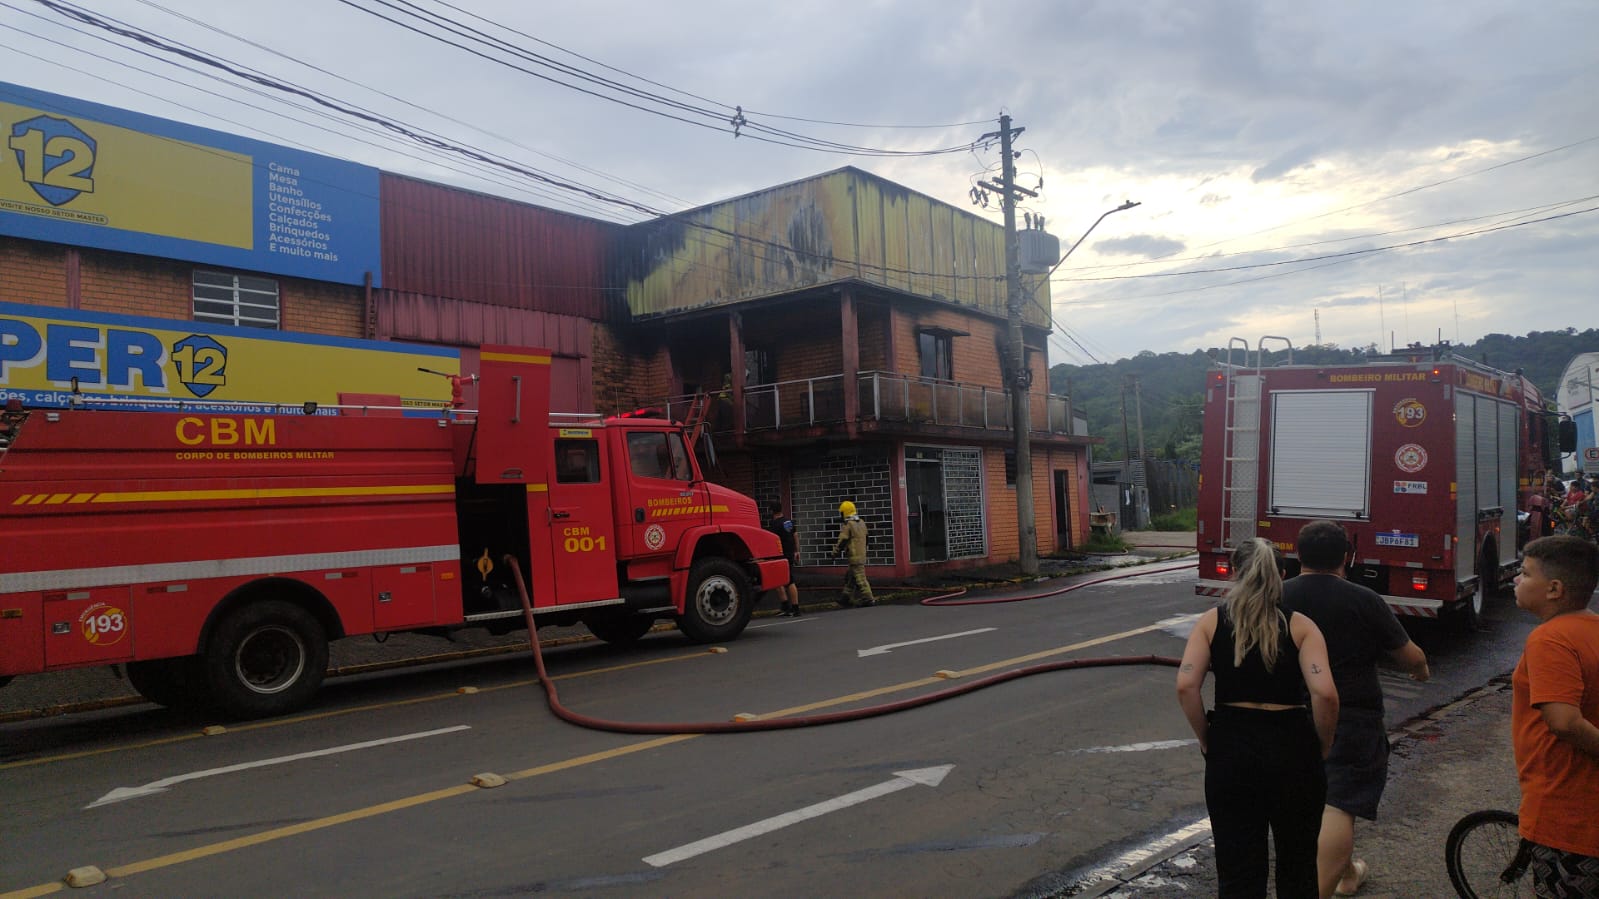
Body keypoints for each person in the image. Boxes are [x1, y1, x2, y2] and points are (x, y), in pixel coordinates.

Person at [1176, 537, 1340, 899]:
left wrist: (1207, 738)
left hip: (1232, 748)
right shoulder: (1301, 627)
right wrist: (1322, 744)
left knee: (1237, 870)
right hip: (1293, 748)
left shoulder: (1211, 623)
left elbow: (1187, 685)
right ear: (1281, 576)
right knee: (1297, 865)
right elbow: (1325, 693)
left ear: (1234, 573)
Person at [1280, 521, 1430, 899]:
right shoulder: (1364, 599)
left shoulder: (1277, 596)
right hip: (1351, 715)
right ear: (1348, 556)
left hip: (1284, 714)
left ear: (1299, 555)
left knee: (1305, 797)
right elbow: (1409, 656)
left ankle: (1347, 873)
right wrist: (1420, 670)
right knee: (1339, 802)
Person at [1511, 535, 1599, 897]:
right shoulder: (1592, 628)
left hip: (1567, 813)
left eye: (1525, 572)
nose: (1517, 579)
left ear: (1554, 589)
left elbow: (1563, 722)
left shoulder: (1550, 639)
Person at [832, 500, 875, 607]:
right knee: (851, 577)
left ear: (844, 513)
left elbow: (842, 541)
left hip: (854, 555)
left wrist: (834, 553)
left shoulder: (848, 525)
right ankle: (845, 598)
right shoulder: (861, 522)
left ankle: (868, 599)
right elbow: (867, 538)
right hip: (862, 553)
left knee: (860, 578)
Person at [766, 501, 802, 617]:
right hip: (790, 553)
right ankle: (786, 606)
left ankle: (794, 608)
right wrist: (797, 551)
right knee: (780, 580)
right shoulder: (789, 522)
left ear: (772, 511)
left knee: (788, 581)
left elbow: (771, 540)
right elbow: (795, 535)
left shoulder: (774, 524)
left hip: (780, 555)